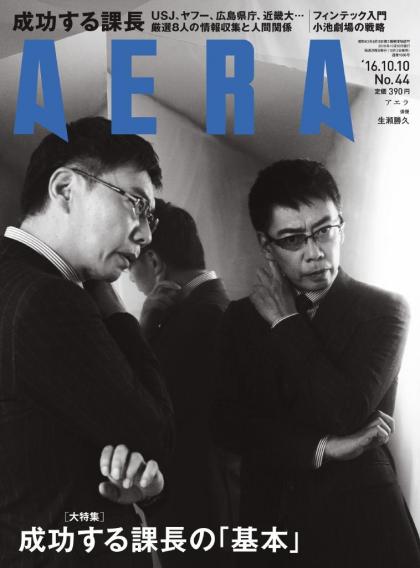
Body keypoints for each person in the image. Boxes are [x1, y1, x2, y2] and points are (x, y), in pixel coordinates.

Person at [213, 159, 420, 567]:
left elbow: (346, 410)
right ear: (266, 245)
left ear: (341, 226)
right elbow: (227, 425)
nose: (315, 253)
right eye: (293, 239)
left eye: (325, 230)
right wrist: (324, 448)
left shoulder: (386, 310)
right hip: (272, 520)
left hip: (364, 525)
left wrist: (286, 322)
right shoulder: (238, 318)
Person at [0, 117, 174, 567]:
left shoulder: (13, 280)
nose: (146, 234)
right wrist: (114, 307)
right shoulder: (48, 299)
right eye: (137, 204)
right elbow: (154, 432)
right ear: (65, 189)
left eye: (150, 217)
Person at [130, 199, 233, 567]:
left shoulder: (198, 320)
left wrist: (143, 328)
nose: (130, 276)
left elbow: (143, 405)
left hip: (197, 505)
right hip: (208, 502)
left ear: (154, 262)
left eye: (132, 262)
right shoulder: (211, 307)